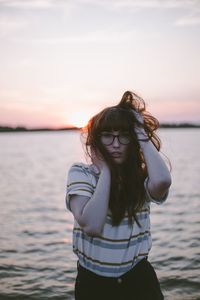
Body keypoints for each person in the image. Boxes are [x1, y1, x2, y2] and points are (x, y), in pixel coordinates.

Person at [65, 91, 171, 300]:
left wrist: (141, 132)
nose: (115, 144)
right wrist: (107, 172)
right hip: (93, 284)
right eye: (107, 135)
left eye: (123, 135)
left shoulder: (141, 175)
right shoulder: (81, 173)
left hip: (139, 280)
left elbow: (162, 182)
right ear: (96, 140)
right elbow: (92, 225)